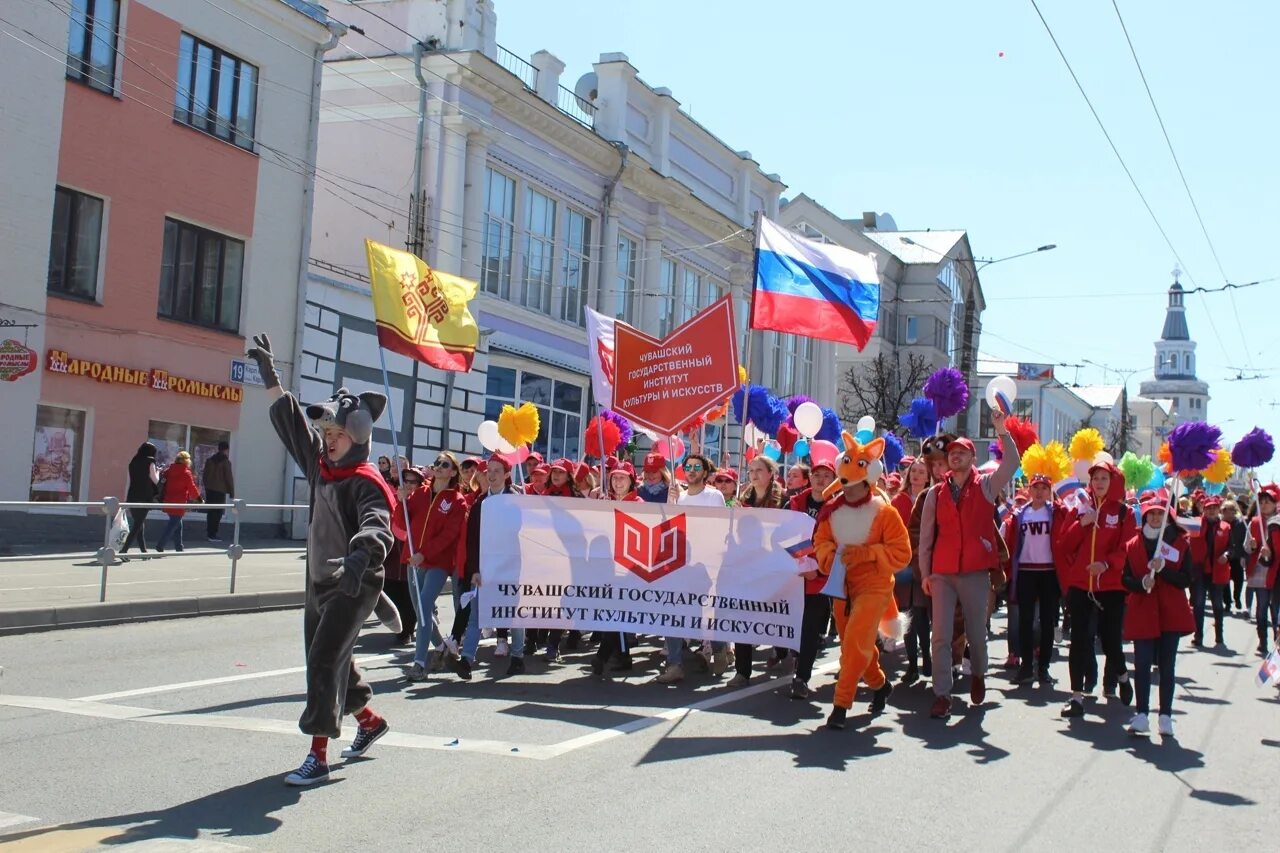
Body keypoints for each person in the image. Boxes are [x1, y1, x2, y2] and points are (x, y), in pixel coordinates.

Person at [246, 334, 396, 786]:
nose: (328, 441)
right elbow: (293, 424)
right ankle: (368, 720)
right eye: (326, 435)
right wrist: (271, 376)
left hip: (355, 583)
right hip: (319, 582)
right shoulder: (322, 467)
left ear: (358, 437)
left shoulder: (366, 481)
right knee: (332, 658)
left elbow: (377, 526)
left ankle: (318, 755)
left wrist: (359, 556)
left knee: (323, 661)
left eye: (336, 435)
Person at [917, 409, 1021, 720]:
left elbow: (1013, 464)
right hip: (943, 573)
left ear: (972, 458)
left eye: (961, 453)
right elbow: (925, 537)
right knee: (941, 635)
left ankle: (978, 674)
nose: (955, 457)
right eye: (951, 453)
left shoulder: (987, 486)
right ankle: (942, 694)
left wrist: (1002, 431)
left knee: (976, 633)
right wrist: (926, 573)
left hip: (975, 571)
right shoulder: (935, 493)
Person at [814, 432, 912, 729]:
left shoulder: (886, 513)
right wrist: (831, 557)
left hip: (876, 584)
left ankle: (841, 705)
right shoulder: (830, 512)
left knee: (857, 641)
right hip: (843, 586)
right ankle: (880, 685)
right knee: (853, 645)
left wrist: (867, 553)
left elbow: (902, 553)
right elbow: (821, 542)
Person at [1056, 460, 1135, 719]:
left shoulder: (1125, 513)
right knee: (1078, 640)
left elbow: (1127, 549)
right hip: (1081, 583)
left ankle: (1122, 676)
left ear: (1113, 482)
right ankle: (1076, 697)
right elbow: (1064, 545)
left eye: (1104, 478)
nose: (1099, 482)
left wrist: (1106, 564)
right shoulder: (1080, 508)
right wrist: (1083, 523)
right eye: (1095, 478)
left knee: (1111, 641)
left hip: (1110, 585)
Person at [1121, 498, 1194, 737]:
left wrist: (1165, 570)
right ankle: (1142, 713)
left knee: (1166, 665)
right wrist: (1143, 582)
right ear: (1144, 517)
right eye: (1151, 514)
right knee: (1141, 664)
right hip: (1142, 610)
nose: (1154, 518)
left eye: (1159, 514)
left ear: (1167, 517)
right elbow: (1126, 579)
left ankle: (1165, 715)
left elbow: (1187, 579)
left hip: (1170, 611)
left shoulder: (1181, 543)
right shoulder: (1133, 544)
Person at [656, 453, 725, 684]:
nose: (692, 470)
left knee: (705, 611)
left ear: (705, 473)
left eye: (697, 467)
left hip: (705, 564)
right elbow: (668, 528)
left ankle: (718, 648)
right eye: (688, 467)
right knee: (673, 610)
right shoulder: (679, 497)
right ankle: (675, 664)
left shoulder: (714, 496)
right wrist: (671, 502)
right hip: (680, 564)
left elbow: (718, 527)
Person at [458, 455, 527, 678]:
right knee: (478, 615)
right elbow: (472, 540)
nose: (492, 474)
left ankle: (517, 657)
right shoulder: (480, 503)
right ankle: (467, 659)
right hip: (486, 568)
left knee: (514, 614)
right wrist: (474, 570)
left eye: (498, 470)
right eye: (490, 470)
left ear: (507, 474)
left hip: (511, 568)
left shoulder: (517, 501)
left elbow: (524, 535)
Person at [404, 452, 468, 682]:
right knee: (421, 612)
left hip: (438, 562)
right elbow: (402, 523)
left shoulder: (457, 501)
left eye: (445, 464)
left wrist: (425, 554)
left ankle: (419, 663)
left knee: (423, 608)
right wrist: (400, 501)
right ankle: (441, 647)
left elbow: (449, 536)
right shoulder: (419, 493)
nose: (439, 466)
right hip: (413, 560)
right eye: (437, 463)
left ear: (452, 472)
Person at [1001, 474, 1067, 685]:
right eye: (1035, 488)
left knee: (1047, 622)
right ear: (1029, 490)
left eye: (1044, 488)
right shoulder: (1020, 514)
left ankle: (1044, 667)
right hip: (1026, 572)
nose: (1039, 492)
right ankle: (1026, 665)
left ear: (1050, 492)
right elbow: (1009, 541)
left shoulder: (1056, 513)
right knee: (1025, 621)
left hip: (1049, 573)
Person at [731, 455, 787, 686]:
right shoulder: (743, 499)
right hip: (748, 567)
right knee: (743, 615)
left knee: (773, 615)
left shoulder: (783, 500)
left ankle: (782, 649)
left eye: (759, 470)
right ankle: (742, 671)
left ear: (770, 473)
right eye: (751, 470)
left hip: (774, 567)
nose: (753, 475)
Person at [786, 459, 837, 699]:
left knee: (810, 630)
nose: (820, 479)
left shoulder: (840, 507)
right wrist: (803, 564)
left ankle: (801, 678)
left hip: (821, 578)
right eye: (817, 474)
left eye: (827, 476)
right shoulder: (794, 503)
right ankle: (795, 660)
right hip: (794, 575)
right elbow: (784, 535)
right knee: (793, 628)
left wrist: (817, 567)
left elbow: (839, 542)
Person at [591, 462, 644, 677]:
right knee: (614, 611)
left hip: (630, 565)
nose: (618, 481)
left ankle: (604, 655)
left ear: (632, 481)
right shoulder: (606, 501)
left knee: (618, 610)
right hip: (608, 564)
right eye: (614, 477)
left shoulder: (639, 503)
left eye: (623, 477)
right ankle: (622, 654)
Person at [892, 456, 932, 685]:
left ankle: (926, 657)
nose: (916, 475)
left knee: (921, 613)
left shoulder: (933, 497)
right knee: (907, 612)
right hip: (905, 562)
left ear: (928, 477)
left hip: (925, 562)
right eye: (913, 471)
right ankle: (912, 665)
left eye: (921, 472)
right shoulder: (900, 500)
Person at [1189, 496, 1232, 647]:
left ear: (1218, 509)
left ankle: (1219, 636)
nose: (1211, 510)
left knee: (1218, 606)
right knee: (1199, 605)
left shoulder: (1226, 527)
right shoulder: (1195, 524)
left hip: (1218, 571)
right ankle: (1198, 635)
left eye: (1214, 508)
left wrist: (1226, 555)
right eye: (1208, 508)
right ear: (1203, 509)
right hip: (1199, 571)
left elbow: (1232, 547)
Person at [1244, 485, 1280, 655]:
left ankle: (1276, 643)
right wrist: (1252, 546)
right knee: (1262, 607)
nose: (1264, 505)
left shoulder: (1278, 522)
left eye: (1268, 502)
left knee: (1276, 611)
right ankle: (1262, 641)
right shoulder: (1255, 522)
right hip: (1260, 572)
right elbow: (1247, 547)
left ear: (1275, 504)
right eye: (1262, 502)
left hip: (1276, 573)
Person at [155, 451, 201, 553]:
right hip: (179, 503)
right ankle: (160, 545)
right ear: (187, 461)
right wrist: (199, 499)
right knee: (173, 525)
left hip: (168, 501)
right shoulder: (186, 473)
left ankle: (179, 547)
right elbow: (192, 488)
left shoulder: (169, 470)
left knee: (177, 524)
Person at [120, 442, 160, 555]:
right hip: (145, 496)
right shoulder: (150, 462)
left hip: (132, 495)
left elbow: (128, 482)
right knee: (137, 525)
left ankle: (144, 551)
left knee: (139, 524)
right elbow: (155, 480)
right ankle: (124, 550)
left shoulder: (133, 462)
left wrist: (125, 500)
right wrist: (158, 471)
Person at [202, 441, 235, 542]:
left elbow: (204, 475)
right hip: (220, 491)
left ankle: (209, 533)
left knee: (211, 512)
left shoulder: (210, 460)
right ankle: (213, 534)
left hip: (210, 490)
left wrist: (206, 486)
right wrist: (232, 493)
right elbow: (229, 478)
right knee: (218, 513)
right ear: (226, 450)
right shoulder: (226, 462)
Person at [1223, 499, 1248, 612]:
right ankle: (1227, 602)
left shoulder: (1241, 523)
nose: (1227, 513)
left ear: (1234, 511)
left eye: (1230, 511)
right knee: (1224, 581)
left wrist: (1244, 556)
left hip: (1237, 556)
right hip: (1225, 556)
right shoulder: (1221, 523)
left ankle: (1237, 597)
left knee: (1238, 580)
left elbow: (1245, 540)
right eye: (1225, 511)